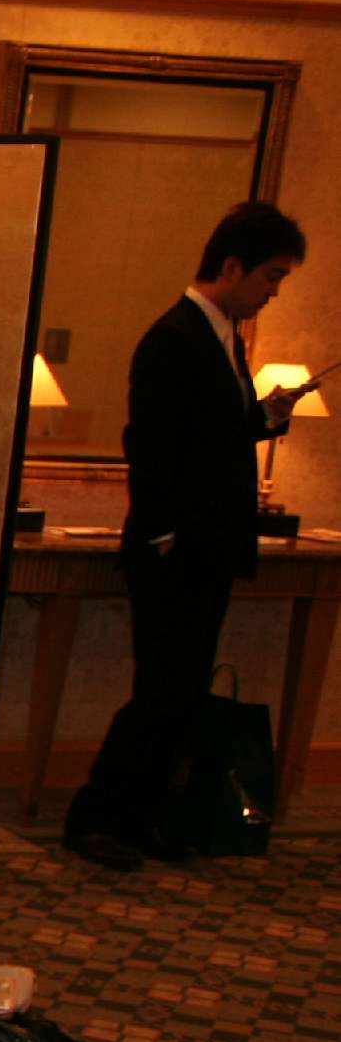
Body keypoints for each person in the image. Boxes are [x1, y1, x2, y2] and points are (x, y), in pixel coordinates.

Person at [63, 200, 309, 872]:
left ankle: (141, 819)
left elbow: (213, 434)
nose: (272, 291)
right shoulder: (173, 337)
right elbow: (149, 443)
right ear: (231, 266)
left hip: (209, 543)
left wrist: (263, 416)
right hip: (176, 546)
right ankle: (94, 818)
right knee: (161, 691)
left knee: (182, 692)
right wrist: (165, 530)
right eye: (270, 276)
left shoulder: (224, 338)